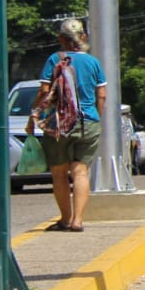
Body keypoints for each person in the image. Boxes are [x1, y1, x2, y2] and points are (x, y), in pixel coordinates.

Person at [29, 17, 106, 232]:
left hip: (59, 124)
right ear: (83, 37)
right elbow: (102, 94)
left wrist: (32, 116)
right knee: (80, 172)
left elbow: (44, 91)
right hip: (88, 122)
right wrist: (96, 117)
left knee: (60, 173)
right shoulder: (93, 62)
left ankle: (65, 219)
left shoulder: (54, 59)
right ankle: (78, 221)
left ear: (60, 39)